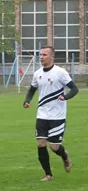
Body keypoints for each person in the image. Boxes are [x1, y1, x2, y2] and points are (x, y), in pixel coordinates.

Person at [23, 46, 78, 181]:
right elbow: (32, 89)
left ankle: (65, 156)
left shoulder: (60, 72)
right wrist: (27, 100)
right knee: (41, 144)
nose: (41, 57)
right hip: (42, 115)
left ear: (51, 56)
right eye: (40, 55)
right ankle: (48, 174)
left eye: (44, 55)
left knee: (54, 147)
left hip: (57, 116)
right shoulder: (37, 73)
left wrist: (65, 97)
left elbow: (74, 89)